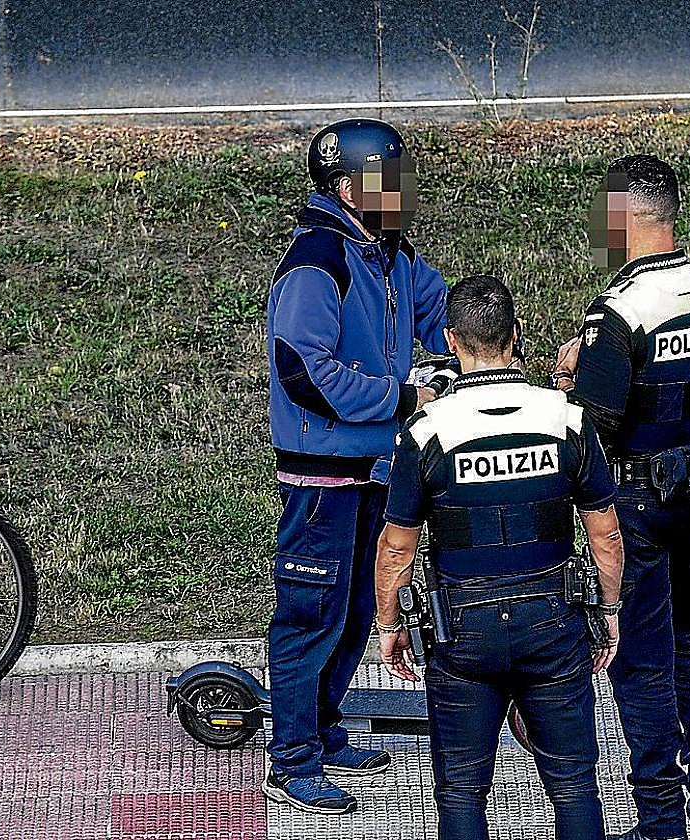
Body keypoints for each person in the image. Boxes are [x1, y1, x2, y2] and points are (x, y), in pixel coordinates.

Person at [550, 154, 690, 840]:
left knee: (639, 659)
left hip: (638, 505)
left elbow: (595, 426)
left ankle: (659, 821)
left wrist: (570, 376)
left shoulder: (617, 311)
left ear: (624, 218)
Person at [375, 275, 625, 840]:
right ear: (518, 334)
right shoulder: (567, 420)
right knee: (574, 785)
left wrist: (389, 624)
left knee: (461, 791)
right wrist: (609, 612)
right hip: (554, 622)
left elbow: (398, 545)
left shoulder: (427, 431)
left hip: (462, 630)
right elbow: (606, 534)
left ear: (449, 340)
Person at [263, 117, 449, 815]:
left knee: (357, 611)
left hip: (375, 467)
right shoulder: (319, 262)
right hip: (322, 481)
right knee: (310, 616)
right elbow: (303, 372)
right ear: (348, 188)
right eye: (390, 182)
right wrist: (403, 397)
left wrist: (480, 346)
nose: (403, 193)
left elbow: (439, 307)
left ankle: (323, 728)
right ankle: (290, 761)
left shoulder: (390, 254)